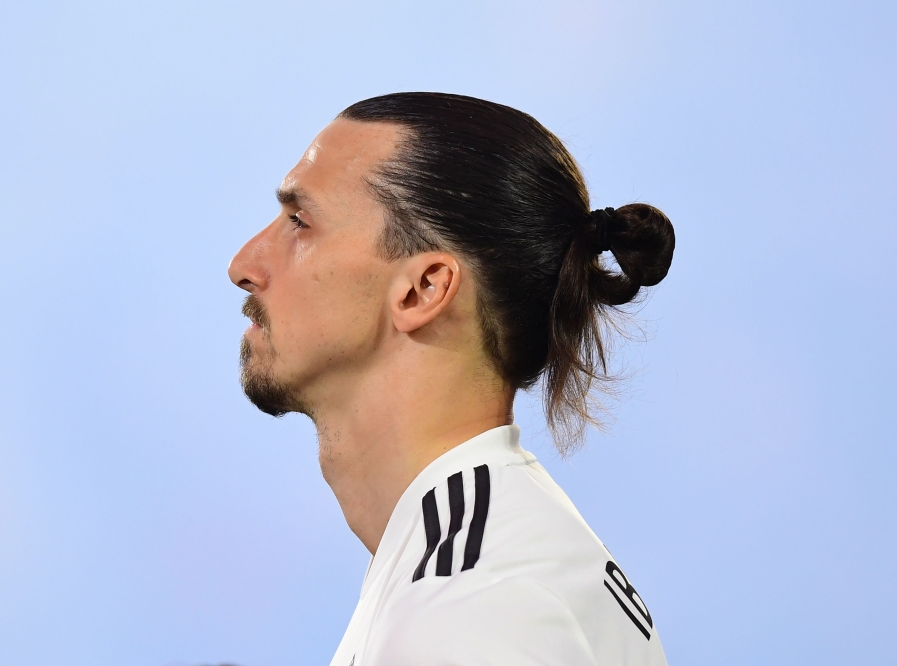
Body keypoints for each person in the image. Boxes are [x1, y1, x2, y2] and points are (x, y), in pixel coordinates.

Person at [228, 92, 675, 666]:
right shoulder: (482, 564)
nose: (244, 264)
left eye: (299, 222)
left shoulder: (469, 606)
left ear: (425, 289)